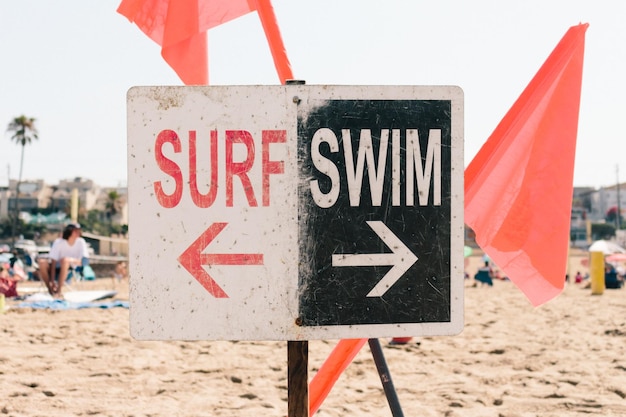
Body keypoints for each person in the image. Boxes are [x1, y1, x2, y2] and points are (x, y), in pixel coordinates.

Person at [37, 223, 90, 297]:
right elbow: (53, 262)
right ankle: (50, 290)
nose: (78, 233)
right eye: (75, 231)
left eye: (79, 231)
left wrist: (70, 260)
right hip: (56, 268)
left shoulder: (81, 242)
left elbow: (85, 261)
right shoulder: (59, 242)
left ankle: (59, 291)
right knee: (42, 262)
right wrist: (52, 281)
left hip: (71, 268)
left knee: (65, 260)